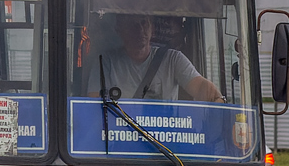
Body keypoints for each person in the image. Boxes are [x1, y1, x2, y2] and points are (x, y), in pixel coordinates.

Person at [90, 13, 223, 102]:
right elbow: (93, 105)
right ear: (119, 30)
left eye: (144, 23)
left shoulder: (173, 59)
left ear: (152, 29)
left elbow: (201, 88)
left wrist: (218, 100)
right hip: (120, 138)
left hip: (163, 141)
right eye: (133, 24)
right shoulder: (105, 62)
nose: (140, 30)